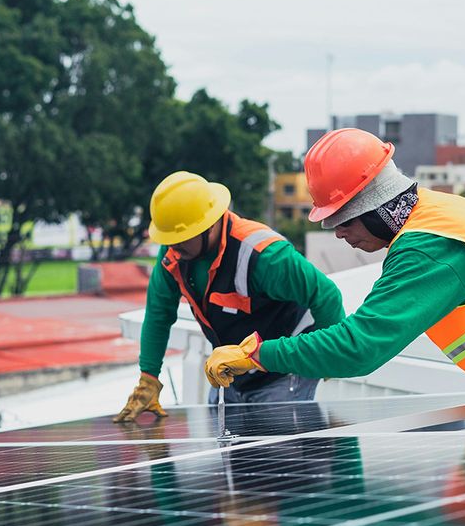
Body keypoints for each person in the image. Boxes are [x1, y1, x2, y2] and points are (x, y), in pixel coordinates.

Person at [204, 128, 465, 430]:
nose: (338, 233)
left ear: (372, 205)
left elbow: (361, 347)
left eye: (341, 219)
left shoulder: (428, 249)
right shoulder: (440, 210)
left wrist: (258, 354)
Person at [113, 171, 345, 422]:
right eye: (169, 240)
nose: (173, 247)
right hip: (231, 371)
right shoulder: (174, 257)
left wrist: (328, 357)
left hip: (283, 371)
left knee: (276, 451)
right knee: (231, 451)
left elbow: (326, 295)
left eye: (180, 239)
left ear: (209, 225)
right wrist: (148, 378)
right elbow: (158, 315)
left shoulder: (264, 255)